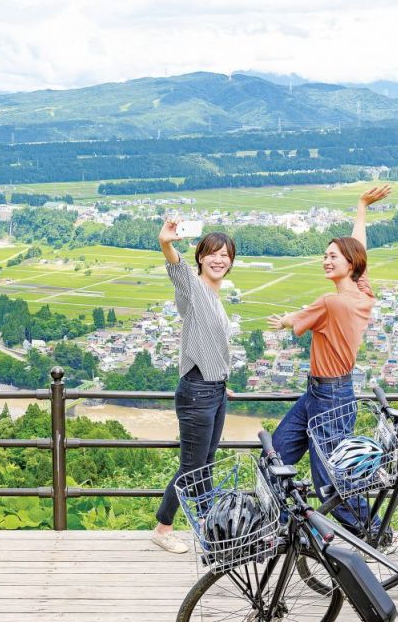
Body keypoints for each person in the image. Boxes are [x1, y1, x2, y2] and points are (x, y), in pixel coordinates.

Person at [267, 184, 392, 533]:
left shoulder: (330, 302)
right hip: (323, 393)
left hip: (329, 398)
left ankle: (372, 533)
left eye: (333, 256)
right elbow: (359, 248)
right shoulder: (363, 295)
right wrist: (361, 207)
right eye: (325, 255)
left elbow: (296, 321)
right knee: (275, 455)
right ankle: (282, 528)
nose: (326, 260)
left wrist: (286, 320)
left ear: (350, 264)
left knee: (330, 483)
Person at [152, 221, 236, 554]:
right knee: (191, 467)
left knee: (206, 462)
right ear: (200, 257)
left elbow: (213, 346)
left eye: (226, 255)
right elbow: (178, 268)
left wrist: (221, 380)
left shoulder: (215, 296)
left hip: (215, 389)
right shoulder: (194, 288)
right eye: (213, 253)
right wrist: (166, 243)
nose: (219, 259)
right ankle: (163, 528)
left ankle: (205, 522)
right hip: (197, 392)